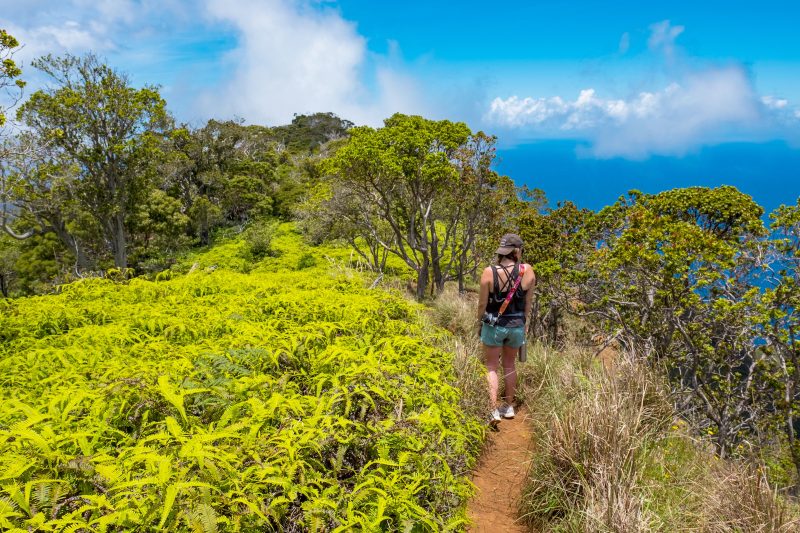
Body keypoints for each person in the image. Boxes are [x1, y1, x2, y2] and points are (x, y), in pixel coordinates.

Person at [476, 233, 535, 427]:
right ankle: (508, 407)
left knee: (491, 366)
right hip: (516, 325)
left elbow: (482, 304)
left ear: (502, 252)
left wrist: (479, 322)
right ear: (517, 251)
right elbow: (528, 303)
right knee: (510, 365)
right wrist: (523, 323)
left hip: (494, 326)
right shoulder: (527, 271)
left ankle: (493, 410)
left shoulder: (488, 272)